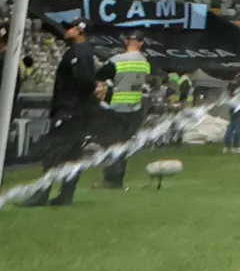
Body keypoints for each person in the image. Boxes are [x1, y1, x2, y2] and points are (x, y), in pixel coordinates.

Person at [29, 20, 108, 206]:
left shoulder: (79, 52)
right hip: (76, 112)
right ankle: (65, 195)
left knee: (53, 154)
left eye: (70, 28)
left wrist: (78, 103)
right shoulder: (82, 51)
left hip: (69, 111)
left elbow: (84, 81)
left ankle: (42, 194)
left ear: (80, 31)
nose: (65, 30)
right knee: (71, 155)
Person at [97, 31, 150, 189]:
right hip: (135, 108)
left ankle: (110, 180)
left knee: (111, 144)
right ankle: (118, 178)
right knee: (123, 146)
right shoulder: (144, 62)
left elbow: (99, 75)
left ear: (127, 42)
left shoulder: (118, 60)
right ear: (141, 43)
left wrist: (103, 88)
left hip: (116, 107)